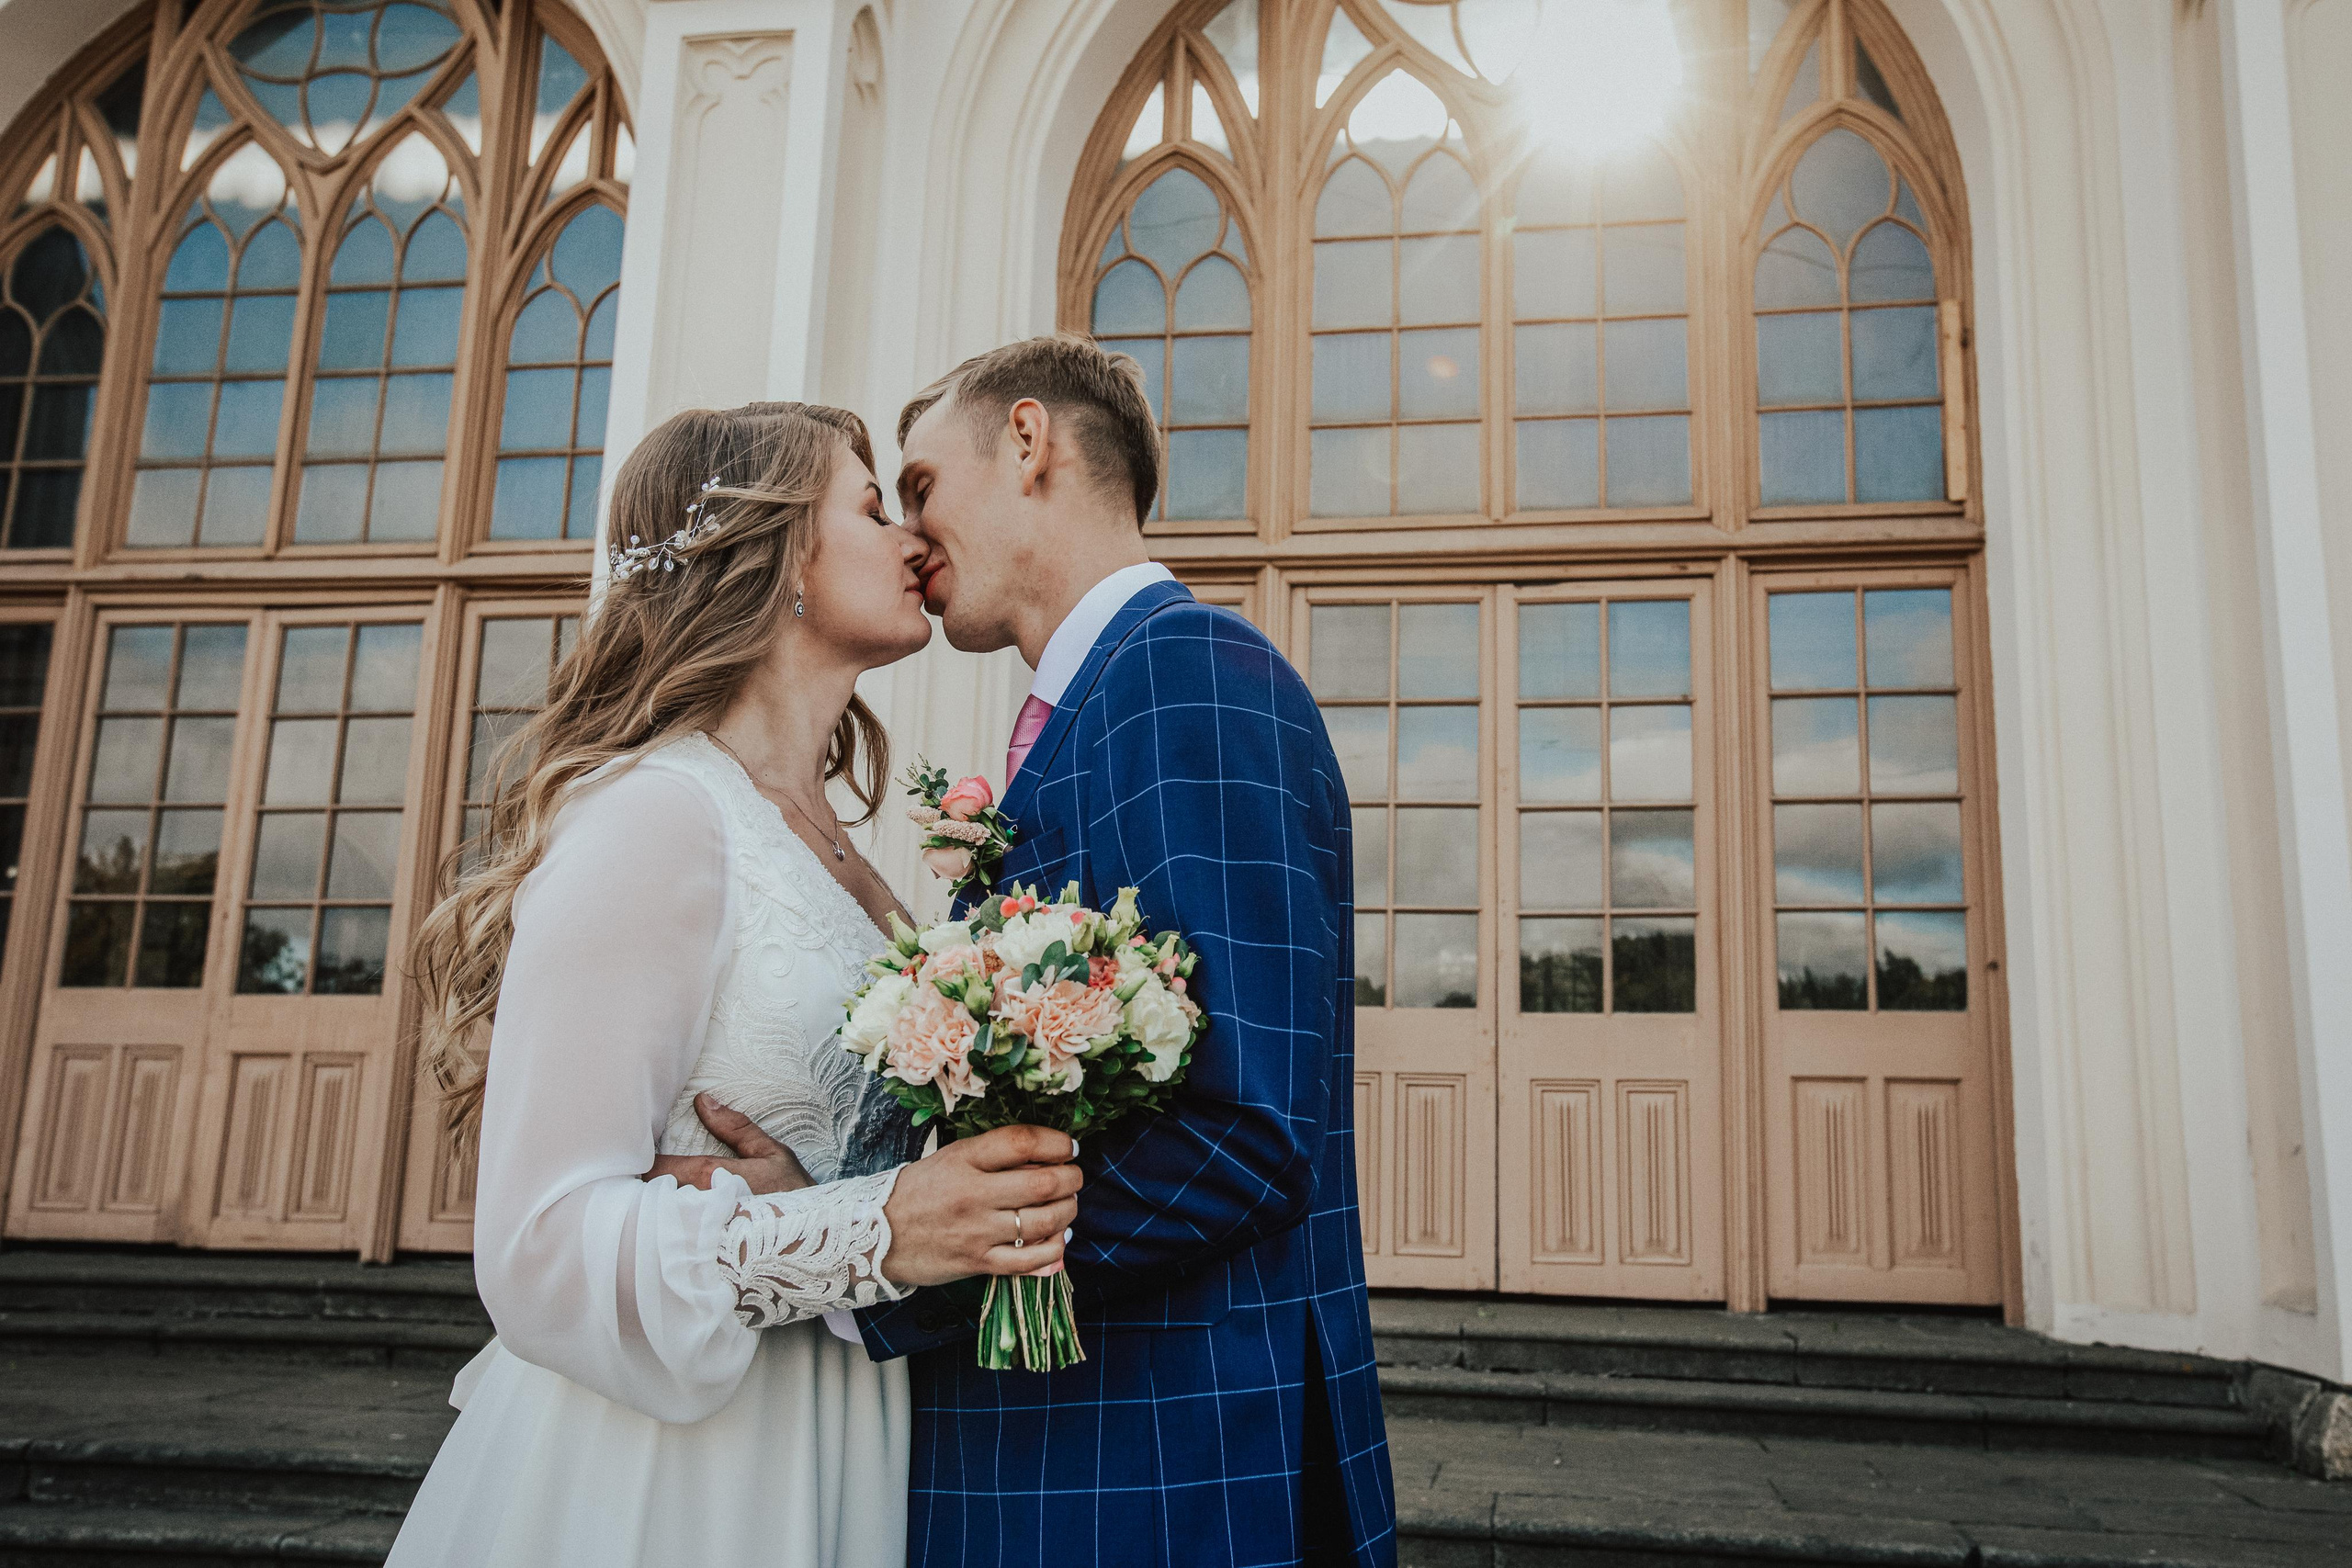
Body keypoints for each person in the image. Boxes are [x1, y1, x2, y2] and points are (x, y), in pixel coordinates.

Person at [384, 400, 1082, 1568]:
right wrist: (876, 1226)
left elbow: (839, 1165)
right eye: (871, 507)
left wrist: (843, 1203)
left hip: (834, 1420)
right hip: (671, 1473)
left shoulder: (844, 847)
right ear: (778, 564)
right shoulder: (657, 818)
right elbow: (538, 1250)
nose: (915, 537)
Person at [871, 335, 1395, 1565]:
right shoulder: (1101, 699)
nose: (908, 536)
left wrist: (898, 1259)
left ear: (1027, 438)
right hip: (1087, 1461)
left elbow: (1238, 1130)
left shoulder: (1187, 678)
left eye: (919, 486)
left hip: (1155, 1472)